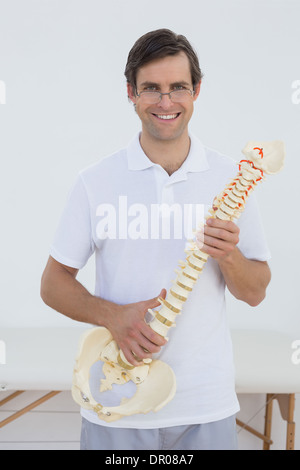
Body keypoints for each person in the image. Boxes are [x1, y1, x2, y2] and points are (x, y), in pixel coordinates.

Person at [41, 29, 271, 450]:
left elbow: (255, 292)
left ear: (196, 90)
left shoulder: (230, 181)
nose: (166, 103)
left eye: (178, 87)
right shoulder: (95, 182)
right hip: (114, 401)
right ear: (131, 92)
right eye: (151, 89)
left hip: (204, 407)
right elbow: (53, 284)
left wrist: (230, 256)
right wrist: (112, 315)